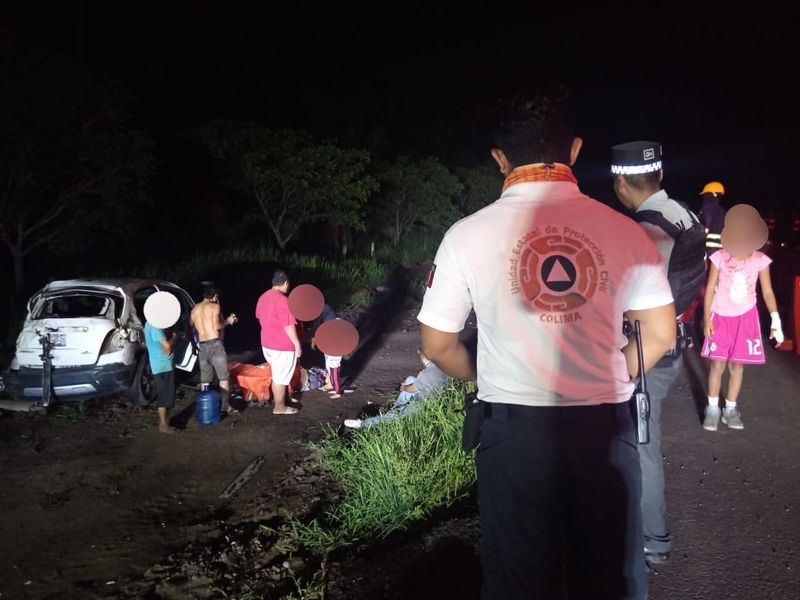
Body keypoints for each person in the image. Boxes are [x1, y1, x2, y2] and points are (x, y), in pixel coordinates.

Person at [417, 87, 676, 599]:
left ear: (498, 158)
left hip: (513, 432)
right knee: (610, 578)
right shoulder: (625, 232)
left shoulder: (465, 235)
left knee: (517, 578)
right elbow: (661, 333)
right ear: (575, 150)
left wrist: (484, 372)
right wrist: (614, 370)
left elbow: (438, 344)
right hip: (604, 428)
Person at [611, 140, 707, 567]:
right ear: (660, 175)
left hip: (648, 348)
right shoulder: (682, 214)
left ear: (619, 183)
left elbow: (645, 295)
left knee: (638, 443)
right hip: (669, 342)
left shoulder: (649, 227)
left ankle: (652, 538)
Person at [701, 211, 783, 431]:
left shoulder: (760, 260)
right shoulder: (719, 257)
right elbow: (709, 288)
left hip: (746, 318)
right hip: (720, 315)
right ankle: (712, 409)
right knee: (717, 364)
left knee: (737, 365)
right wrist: (706, 317)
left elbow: (767, 292)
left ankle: (730, 409)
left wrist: (776, 319)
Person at [344, 350, 449, 429]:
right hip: (436, 393)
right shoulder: (446, 368)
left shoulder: (426, 373)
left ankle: (362, 424)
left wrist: (404, 387)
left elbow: (412, 389)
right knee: (410, 379)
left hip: (425, 403)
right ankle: (397, 406)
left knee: (395, 416)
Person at [255, 269, 301, 415]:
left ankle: (283, 398)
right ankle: (279, 407)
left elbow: (259, 317)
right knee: (280, 377)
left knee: (279, 374)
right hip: (282, 346)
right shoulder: (282, 300)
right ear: (286, 283)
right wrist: (297, 344)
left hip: (267, 343)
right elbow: (288, 325)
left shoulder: (263, 297)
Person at [190, 283, 238, 414]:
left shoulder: (195, 309)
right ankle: (225, 406)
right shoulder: (215, 306)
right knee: (223, 377)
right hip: (215, 344)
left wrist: (194, 345)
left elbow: (190, 327)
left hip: (202, 345)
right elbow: (217, 326)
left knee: (205, 379)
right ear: (215, 295)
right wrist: (228, 321)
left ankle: (206, 404)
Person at [144, 319, 178, 434]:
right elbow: (167, 347)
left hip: (162, 365)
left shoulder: (151, 324)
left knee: (167, 396)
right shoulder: (155, 327)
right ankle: (163, 425)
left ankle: (165, 422)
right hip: (162, 366)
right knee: (164, 397)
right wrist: (174, 337)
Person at [310, 303, 344, 399]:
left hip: (335, 333)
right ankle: (330, 383)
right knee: (328, 360)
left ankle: (337, 391)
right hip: (329, 332)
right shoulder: (319, 306)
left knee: (333, 364)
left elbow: (316, 323)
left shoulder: (318, 306)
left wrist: (313, 337)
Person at [698, 181, 726, 257]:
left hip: (709, 249)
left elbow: (703, 228)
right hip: (724, 249)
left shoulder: (706, 209)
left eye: (705, 195)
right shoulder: (723, 211)